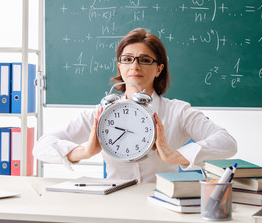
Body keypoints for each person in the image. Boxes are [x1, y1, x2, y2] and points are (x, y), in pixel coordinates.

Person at [33, 28, 237, 183]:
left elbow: (227, 142)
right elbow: (41, 147)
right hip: (116, 204)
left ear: (159, 69)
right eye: (128, 59)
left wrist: (174, 155)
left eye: (145, 60)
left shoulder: (178, 111)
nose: (135, 66)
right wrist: (84, 151)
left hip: (163, 202)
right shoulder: (101, 114)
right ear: (119, 66)